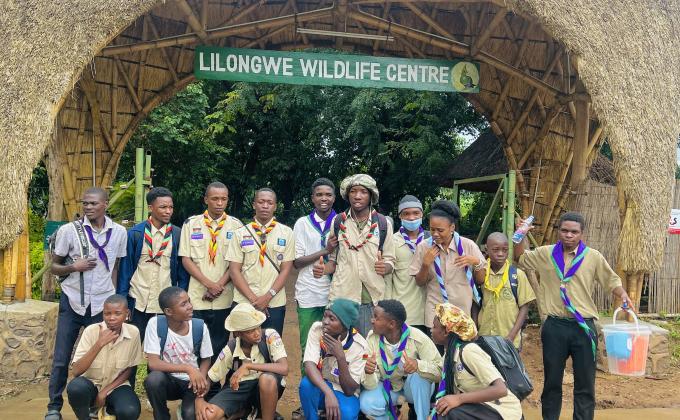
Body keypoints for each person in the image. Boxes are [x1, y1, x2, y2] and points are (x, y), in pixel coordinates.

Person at [515, 212, 632, 420]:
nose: (569, 235)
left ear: (581, 234)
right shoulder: (546, 253)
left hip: (583, 327)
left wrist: (623, 295)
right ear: (558, 231)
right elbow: (521, 258)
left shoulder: (593, 256)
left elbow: (611, 281)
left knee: (585, 384)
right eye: (565, 230)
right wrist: (520, 234)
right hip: (554, 326)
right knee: (552, 382)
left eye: (574, 232)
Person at [46, 187, 127, 420]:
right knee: (61, 358)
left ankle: (95, 405)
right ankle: (54, 407)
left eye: (93, 203)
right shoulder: (69, 231)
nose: (88, 207)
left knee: (100, 356)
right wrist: (74, 267)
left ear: (105, 204)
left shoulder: (119, 232)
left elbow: (115, 267)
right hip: (72, 301)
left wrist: (114, 300)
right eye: (85, 203)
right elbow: (53, 266)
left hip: (102, 304)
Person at [179, 182, 243, 397]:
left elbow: (235, 262)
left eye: (223, 199)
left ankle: (213, 388)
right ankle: (194, 389)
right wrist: (208, 284)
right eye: (215, 198)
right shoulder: (191, 224)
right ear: (206, 199)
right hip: (197, 297)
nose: (219, 203)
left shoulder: (236, 226)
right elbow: (186, 259)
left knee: (219, 344)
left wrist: (218, 286)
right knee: (196, 343)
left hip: (224, 297)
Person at [313, 174, 396, 336]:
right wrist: (322, 270)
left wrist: (384, 267)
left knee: (369, 345)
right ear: (347, 194)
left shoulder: (383, 224)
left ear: (371, 195)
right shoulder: (338, 222)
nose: (357, 196)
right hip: (342, 299)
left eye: (363, 192)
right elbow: (333, 262)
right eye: (353, 191)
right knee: (341, 346)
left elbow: (390, 261)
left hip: (371, 300)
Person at [118, 187, 189, 341]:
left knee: (162, 347)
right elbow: (125, 271)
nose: (168, 211)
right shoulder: (135, 234)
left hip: (165, 305)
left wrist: (180, 302)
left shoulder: (178, 235)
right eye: (163, 207)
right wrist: (123, 302)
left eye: (171, 207)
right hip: (138, 301)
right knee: (133, 345)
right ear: (150, 208)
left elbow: (183, 274)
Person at [195, 302, 288, 420]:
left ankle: (263, 415)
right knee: (208, 415)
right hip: (239, 388)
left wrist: (248, 366)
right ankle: (246, 411)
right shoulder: (231, 348)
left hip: (265, 389)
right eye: (250, 331)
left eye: (258, 327)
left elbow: (284, 368)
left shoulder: (270, 336)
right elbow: (211, 378)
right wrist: (199, 399)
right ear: (238, 333)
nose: (257, 333)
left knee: (267, 379)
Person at [430, 302, 522, 420]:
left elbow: (501, 390)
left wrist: (458, 399)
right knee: (443, 409)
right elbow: (437, 371)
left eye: (434, 327)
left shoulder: (468, 351)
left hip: (503, 411)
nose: (431, 330)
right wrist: (416, 365)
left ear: (446, 331)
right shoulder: (450, 355)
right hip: (482, 408)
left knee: (451, 413)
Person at [410, 200, 486, 331]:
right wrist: (425, 264)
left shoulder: (467, 246)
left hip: (462, 315)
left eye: (440, 230)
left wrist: (476, 262)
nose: (435, 234)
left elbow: (480, 280)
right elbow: (419, 283)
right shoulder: (424, 247)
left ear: (452, 228)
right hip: (435, 316)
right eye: (432, 229)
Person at [227, 188, 295, 335]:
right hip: (244, 303)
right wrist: (254, 300)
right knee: (242, 345)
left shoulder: (286, 233)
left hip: (274, 303)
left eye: (269, 203)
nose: (265, 206)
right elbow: (234, 270)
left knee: (271, 344)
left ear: (275, 206)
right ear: (254, 204)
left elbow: (286, 270)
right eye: (261, 202)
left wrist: (267, 297)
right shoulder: (240, 233)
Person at [360, 299, 442, 420]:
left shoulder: (417, 337)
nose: (372, 320)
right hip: (390, 388)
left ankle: (422, 417)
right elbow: (371, 385)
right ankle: (390, 416)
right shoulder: (371, 339)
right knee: (367, 403)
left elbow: (440, 370)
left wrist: (418, 365)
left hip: (414, 391)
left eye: (376, 318)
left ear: (391, 324)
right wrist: (368, 372)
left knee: (419, 376)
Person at [65, 294, 143, 420]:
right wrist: (99, 344)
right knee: (76, 388)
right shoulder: (91, 331)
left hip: (116, 387)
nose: (112, 318)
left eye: (117, 313)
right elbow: (76, 371)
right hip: (91, 385)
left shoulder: (133, 333)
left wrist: (104, 393)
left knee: (129, 411)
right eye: (107, 313)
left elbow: (130, 369)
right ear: (103, 314)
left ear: (127, 314)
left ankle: (109, 410)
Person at [143, 286, 213, 420]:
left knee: (190, 415)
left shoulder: (199, 327)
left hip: (192, 383)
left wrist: (201, 379)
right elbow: (153, 363)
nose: (190, 306)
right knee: (154, 380)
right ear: (168, 311)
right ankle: (162, 416)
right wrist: (188, 368)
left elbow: (206, 359)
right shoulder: (155, 324)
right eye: (183, 304)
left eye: (189, 301)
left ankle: (185, 409)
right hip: (169, 380)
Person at [293, 178, 339, 365]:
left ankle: (331, 380)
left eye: (328, 195)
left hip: (336, 292)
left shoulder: (342, 222)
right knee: (308, 346)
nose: (324, 198)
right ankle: (308, 381)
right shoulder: (302, 224)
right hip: (308, 293)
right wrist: (325, 250)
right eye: (319, 195)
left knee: (334, 346)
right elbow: (297, 262)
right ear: (312, 198)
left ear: (334, 198)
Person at [299, 298, 368, 420]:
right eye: (325, 316)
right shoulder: (317, 329)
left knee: (346, 413)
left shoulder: (359, 346)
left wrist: (340, 357)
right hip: (322, 385)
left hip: (344, 392)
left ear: (345, 325)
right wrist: (328, 393)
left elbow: (349, 390)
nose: (325, 322)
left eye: (332, 319)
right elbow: (309, 366)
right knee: (306, 385)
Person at [477, 232, 535, 349]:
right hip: (484, 337)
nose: (500, 254)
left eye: (505, 250)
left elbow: (524, 307)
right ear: (486, 250)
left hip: (509, 339)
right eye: (496, 250)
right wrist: (475, 331)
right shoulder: (482, 275)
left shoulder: (517, 275)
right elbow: (475, 303)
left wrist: (511, 336)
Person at [387, 195, 429, 331]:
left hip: (430, 312)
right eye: (406, 214)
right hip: (405, 313)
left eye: (416, 213)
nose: (411, 218)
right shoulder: (391, 241)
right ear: (400, 216)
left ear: (422, 214)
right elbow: (387, 280)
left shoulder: (431, 240)